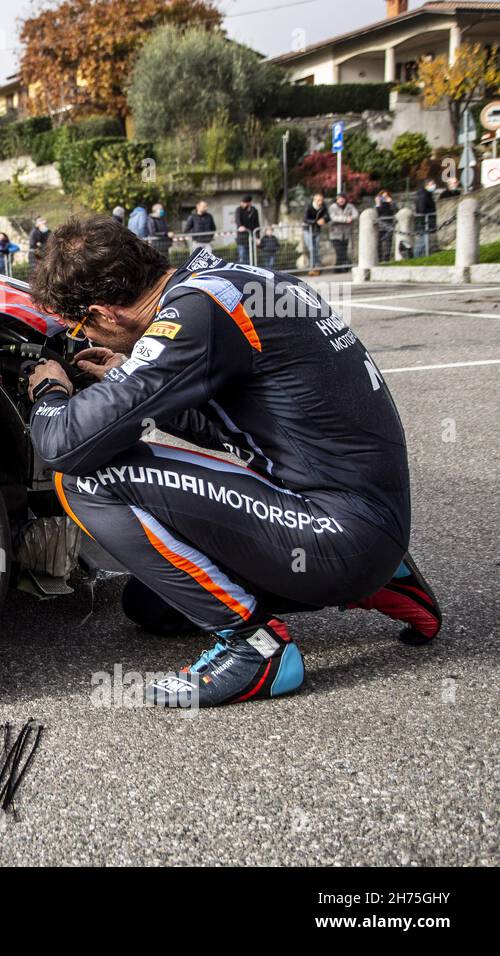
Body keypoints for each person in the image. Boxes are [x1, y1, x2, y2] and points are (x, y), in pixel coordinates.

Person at [24, 217, 441, 708]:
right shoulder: (233, 281)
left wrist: (50, 390)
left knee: (86, 476)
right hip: (364, 520)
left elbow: (62, 443)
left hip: (339, 531)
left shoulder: (197, 313)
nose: (80, 335)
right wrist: (130, 379)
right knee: (151, 607)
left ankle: (256, 650)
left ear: (105, 314)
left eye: (79, 327)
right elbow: (241, 425)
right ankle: (385, 582)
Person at [328, 193, 357, 268]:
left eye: (342, 198)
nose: (341, 200)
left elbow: (356, 214)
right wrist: (345, 219)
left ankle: (341, 268)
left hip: (346, 234)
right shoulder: (333, 207)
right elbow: (333, 217)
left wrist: (351, 218)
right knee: (339, 252)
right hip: (335, 234)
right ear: (337, 199)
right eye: (339, 198)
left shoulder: (350, 206)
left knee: (344, 251)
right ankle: (342, 267)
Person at [302, 192, 328, 275]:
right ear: (314, 200)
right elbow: (305, 219)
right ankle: (312, 267)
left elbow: (327, 216)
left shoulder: (323, 206)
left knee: (316, 249)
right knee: (311, 248)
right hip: (308, 230)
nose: (320, 202)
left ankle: (316, 267)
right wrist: (316, 222)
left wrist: (324, 219)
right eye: (318, 200)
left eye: (321, 200)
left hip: (317, 230)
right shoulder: (309, 207)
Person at [414, 178, 438, 258]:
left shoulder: (426, 194)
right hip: (423, 222)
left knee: (425, 242)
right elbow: (422, 209)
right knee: (422, 242)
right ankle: (416, 257)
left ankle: (421, 257)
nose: (434, 186)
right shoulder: (423, 195)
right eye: (432, 184)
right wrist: (432, 210)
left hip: (426, 222)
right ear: (426, 185)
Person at [234, 195, 259, 264]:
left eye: (244, 202)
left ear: (249, 203)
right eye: (242, 202)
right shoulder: (239, 210)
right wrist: (240, 226)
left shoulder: (254, 210)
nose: (242, 204)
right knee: (242, 257)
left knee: (251, 258)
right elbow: (237, 219)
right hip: (242, 238)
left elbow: (257, 224)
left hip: (251, 237)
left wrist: (257, 237)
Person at [375, 190, 397, 261]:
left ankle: (387, 258)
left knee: (388, 242)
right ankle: (379, 258)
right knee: (379, 242)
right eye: (383, 196)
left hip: (389, 225)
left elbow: (395, 211)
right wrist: (378, 204)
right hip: (380, 225)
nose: (384, 198)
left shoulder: (391, 203)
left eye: (386, 196)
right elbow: (377, 213)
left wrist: (391, 202)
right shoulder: (378, 204)